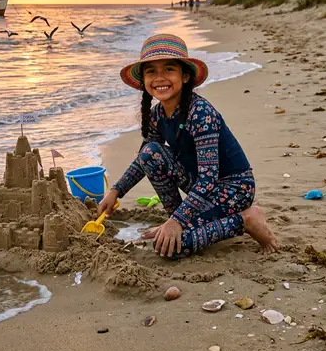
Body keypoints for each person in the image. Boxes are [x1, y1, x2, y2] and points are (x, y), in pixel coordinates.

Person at [98, 34, 278, 258]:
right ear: (144, 80)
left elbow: (209, 179)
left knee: (172, 248)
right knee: (149, 153)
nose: (159, 77)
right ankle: (177, 219)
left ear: (184, 76)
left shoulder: (200, 113)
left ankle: (247, 219)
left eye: (168, 69)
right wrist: (115, 191)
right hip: (203, 189)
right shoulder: (157, 114)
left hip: (234, 190)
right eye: (151, 71)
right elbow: (145, 159)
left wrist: (177, 223)